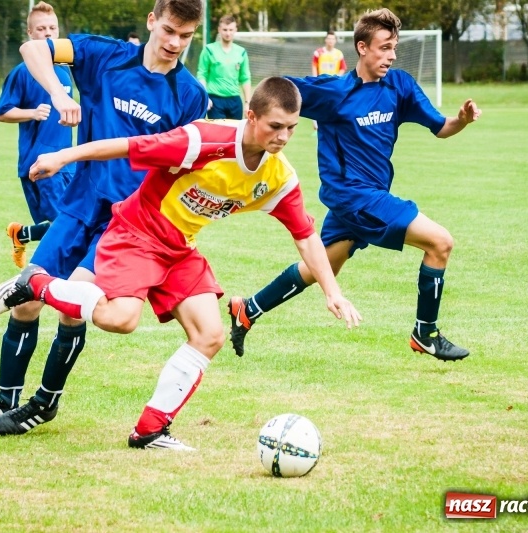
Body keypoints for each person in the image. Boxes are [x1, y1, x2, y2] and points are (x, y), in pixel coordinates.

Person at [0, 77, 362, 450]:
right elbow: (128, 146)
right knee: (121, 319)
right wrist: (62, 156)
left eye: (291, 128)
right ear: (250, 116)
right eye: (274, 126)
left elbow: (306, 236)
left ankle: (149, 430)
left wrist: (333, 292)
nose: (282, 137)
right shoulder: (203, 140)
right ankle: (35, 285)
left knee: (210, 334)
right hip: (136, 233)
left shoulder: (277, 177)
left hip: (179, 248)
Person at [0, 0, 208, 435]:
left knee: (72, 305)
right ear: (152, 21)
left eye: (185, 36)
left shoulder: (189, 96)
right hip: (77, 204)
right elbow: (32, 50)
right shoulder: (103, 55)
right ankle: (4, 400)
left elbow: (181, 170)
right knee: (27, 299)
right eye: (168, 30)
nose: (174, 43)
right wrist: (58, 92)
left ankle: (44, 402)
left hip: (126, 223)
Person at [226, 8, 481, 362]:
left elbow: (441, 126)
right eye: (384, 47)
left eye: (394, 48)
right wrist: (254, 127)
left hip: (362, 201)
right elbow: (277, 90)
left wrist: (462, 121)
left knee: (321, 269)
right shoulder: (334, 93)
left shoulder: (400, 86)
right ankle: (426, 333)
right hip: (357, 198)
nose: (391, 56)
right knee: (441, 242)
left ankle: (248, 309)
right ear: (362, 47)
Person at [0, 2, 75, 269]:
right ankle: (48, 281)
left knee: (72, 221)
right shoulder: (22, 72)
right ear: (31, 34)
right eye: (42, 29)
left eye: (53, 28)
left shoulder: (64, 70)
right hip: (39, 162)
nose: (48, 33)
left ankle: (22, 234)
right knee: (64, 224)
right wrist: (31, 113)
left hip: (67, 160)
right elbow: (1, 113)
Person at [196, 14, 252, 119]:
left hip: (235, 100)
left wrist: (247, 102)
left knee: (236, 134)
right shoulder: (209, 50)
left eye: (231, 30)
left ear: (235, 30)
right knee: (218, 134)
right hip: (215, 99)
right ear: (219, 30)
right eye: (225, 30)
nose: (228, 33)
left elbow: (245, 78)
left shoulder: (241, 52)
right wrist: (205, 97)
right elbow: (202, 74)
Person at [311, 31, 346, 131]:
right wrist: (315, 80)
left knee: (333, 104)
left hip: (333, 84)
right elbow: (314, 66)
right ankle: (316, 126)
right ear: (325, 40)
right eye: (329, 38)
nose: (330, 41)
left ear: (335, 41)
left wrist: (336, 79)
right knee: (319, 103)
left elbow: (342, 68)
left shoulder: (338, 54)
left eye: (332, 39)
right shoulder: (318, 53)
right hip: (321, 83)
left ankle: (332, 125)